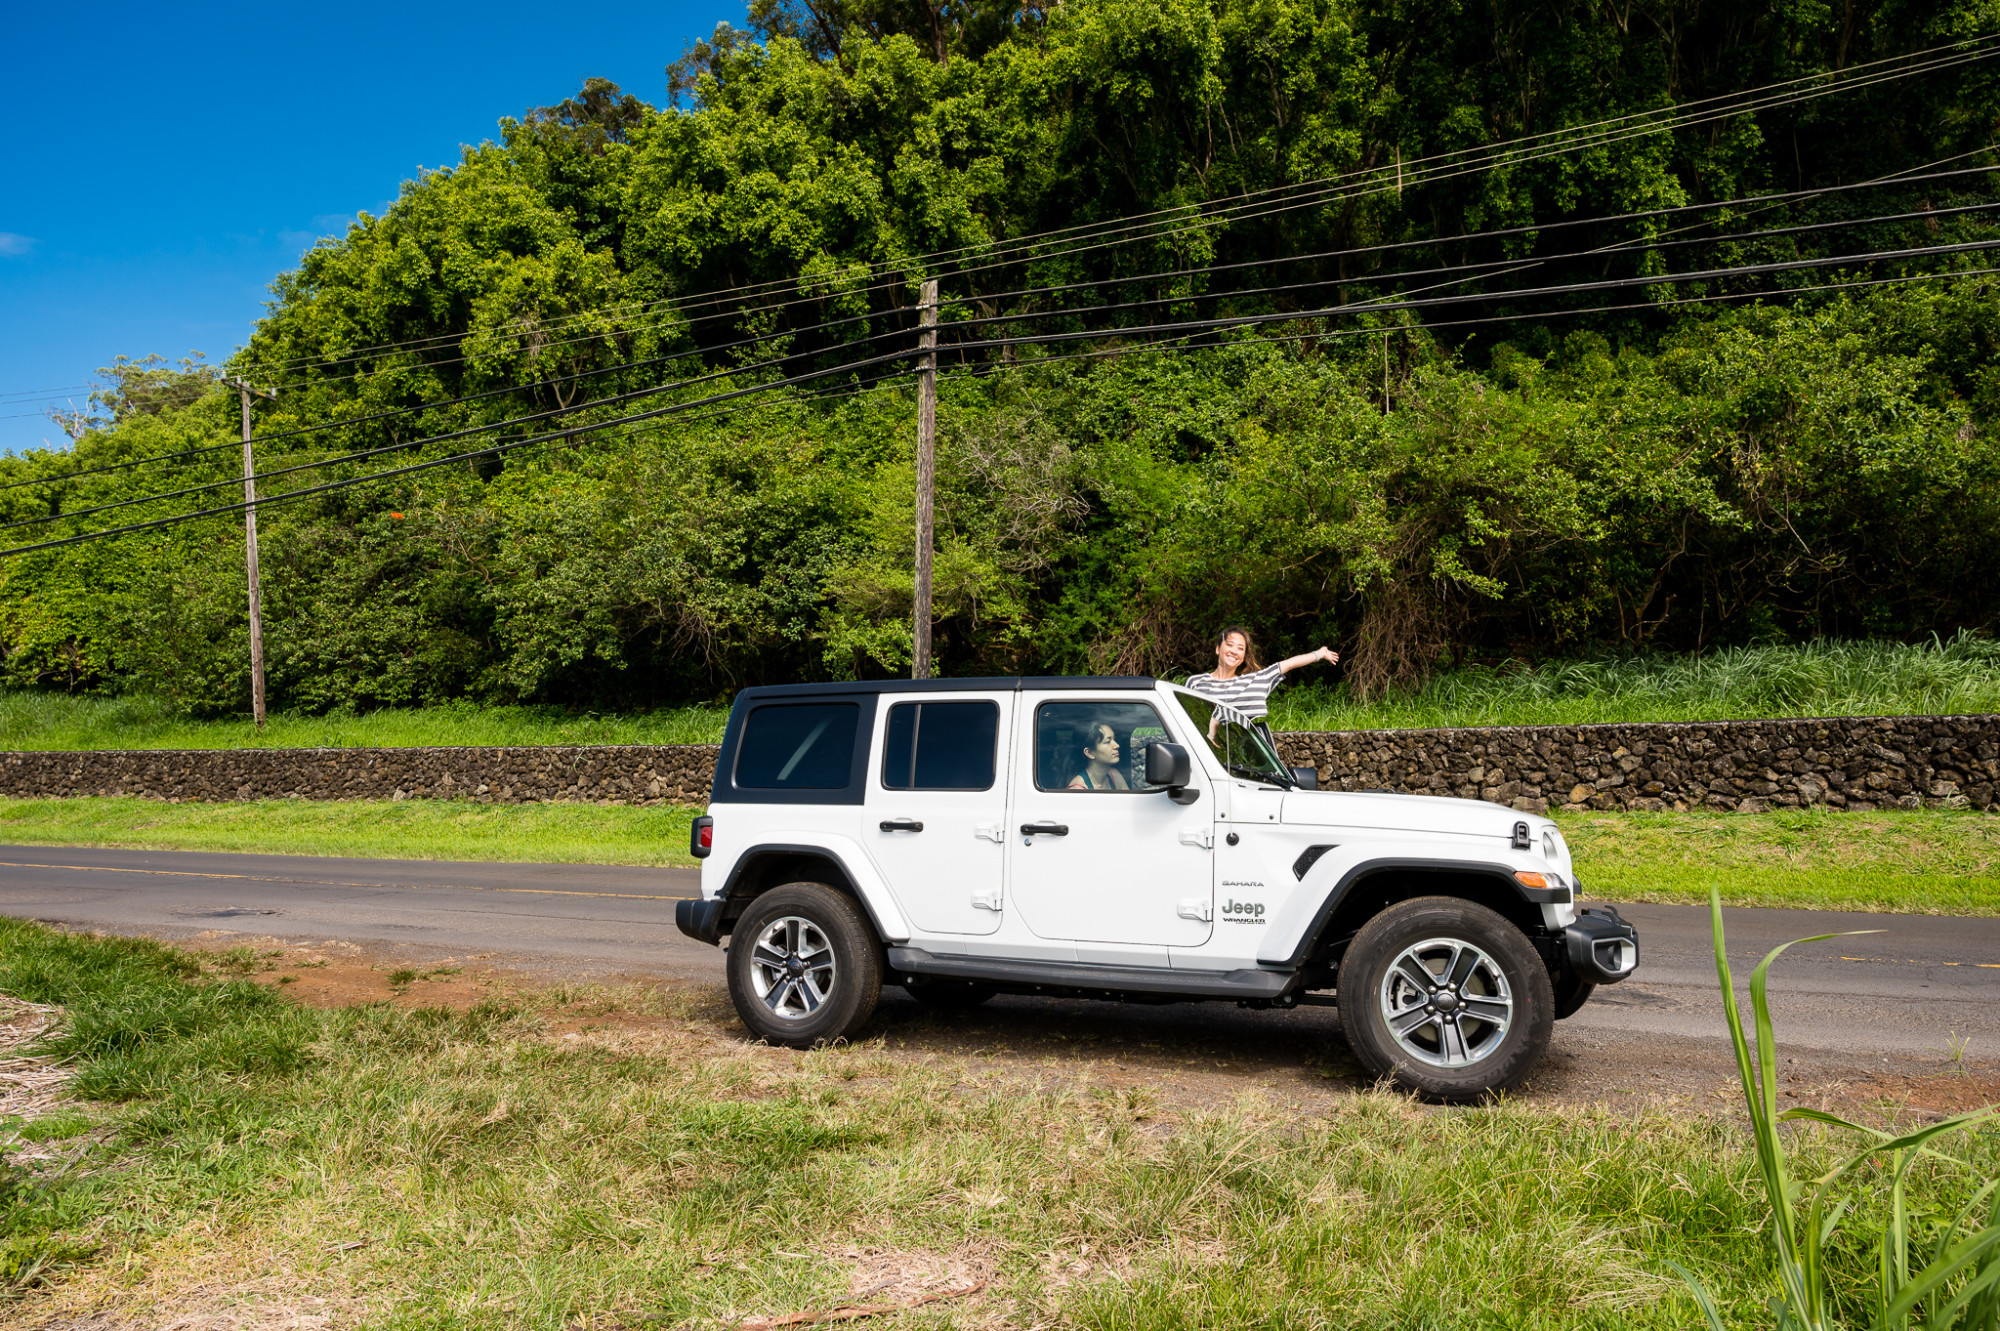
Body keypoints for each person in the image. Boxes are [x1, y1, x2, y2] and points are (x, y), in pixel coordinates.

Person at [1184, 626, 1338, 743]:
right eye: (1230, 645)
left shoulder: (1253, 681)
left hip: (1237, 756)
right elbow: (1182, 719)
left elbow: (1288, 664)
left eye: (1240, 648)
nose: (1234, 651)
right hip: (1201, 751)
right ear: (1218, 649)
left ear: (1244, 657)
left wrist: (1320, 654)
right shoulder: (1195, 682)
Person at [1066, 720, 1131, 790]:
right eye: (1107, 742)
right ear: (1089, 753)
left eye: (1114, 739)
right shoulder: (1078, 789)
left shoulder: (1114, 775)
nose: (1117, 745)